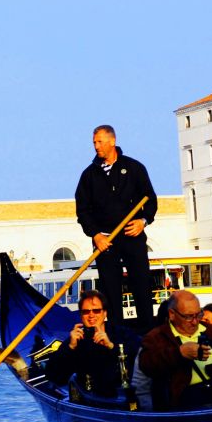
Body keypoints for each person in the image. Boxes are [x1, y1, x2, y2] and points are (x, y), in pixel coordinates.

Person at [75, 124, 158, 332]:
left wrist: (143, 221)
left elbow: (151, 200)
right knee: (110, 292)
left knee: (141, 285)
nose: (96, 146)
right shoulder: (89, 176)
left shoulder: (134, 168)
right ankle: (117, 336)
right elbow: (83, 210)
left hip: (132, 235)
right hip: (105, 241)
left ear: (112, 141)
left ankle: (148, 335)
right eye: (94, 142)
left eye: (99, 142)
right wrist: (95, 235)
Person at [139, 290, 212, 411]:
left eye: (198, 314)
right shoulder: (156, 336)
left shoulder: (209, 330)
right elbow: (147, 364)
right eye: (188, 317)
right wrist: (179, 354)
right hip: (187, 402)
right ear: (172, 314)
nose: (195, 321)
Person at [44, 290, 139, 397]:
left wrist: (111, 346)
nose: (91, 315)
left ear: (105, 313)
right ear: (81, 315)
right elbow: (53, 375)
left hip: (123, 395)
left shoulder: (123, 333)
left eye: (96, 311)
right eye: (86, 312)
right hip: (90, 398)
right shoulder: (75, 340)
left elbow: (136, 358)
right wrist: (70, 348)